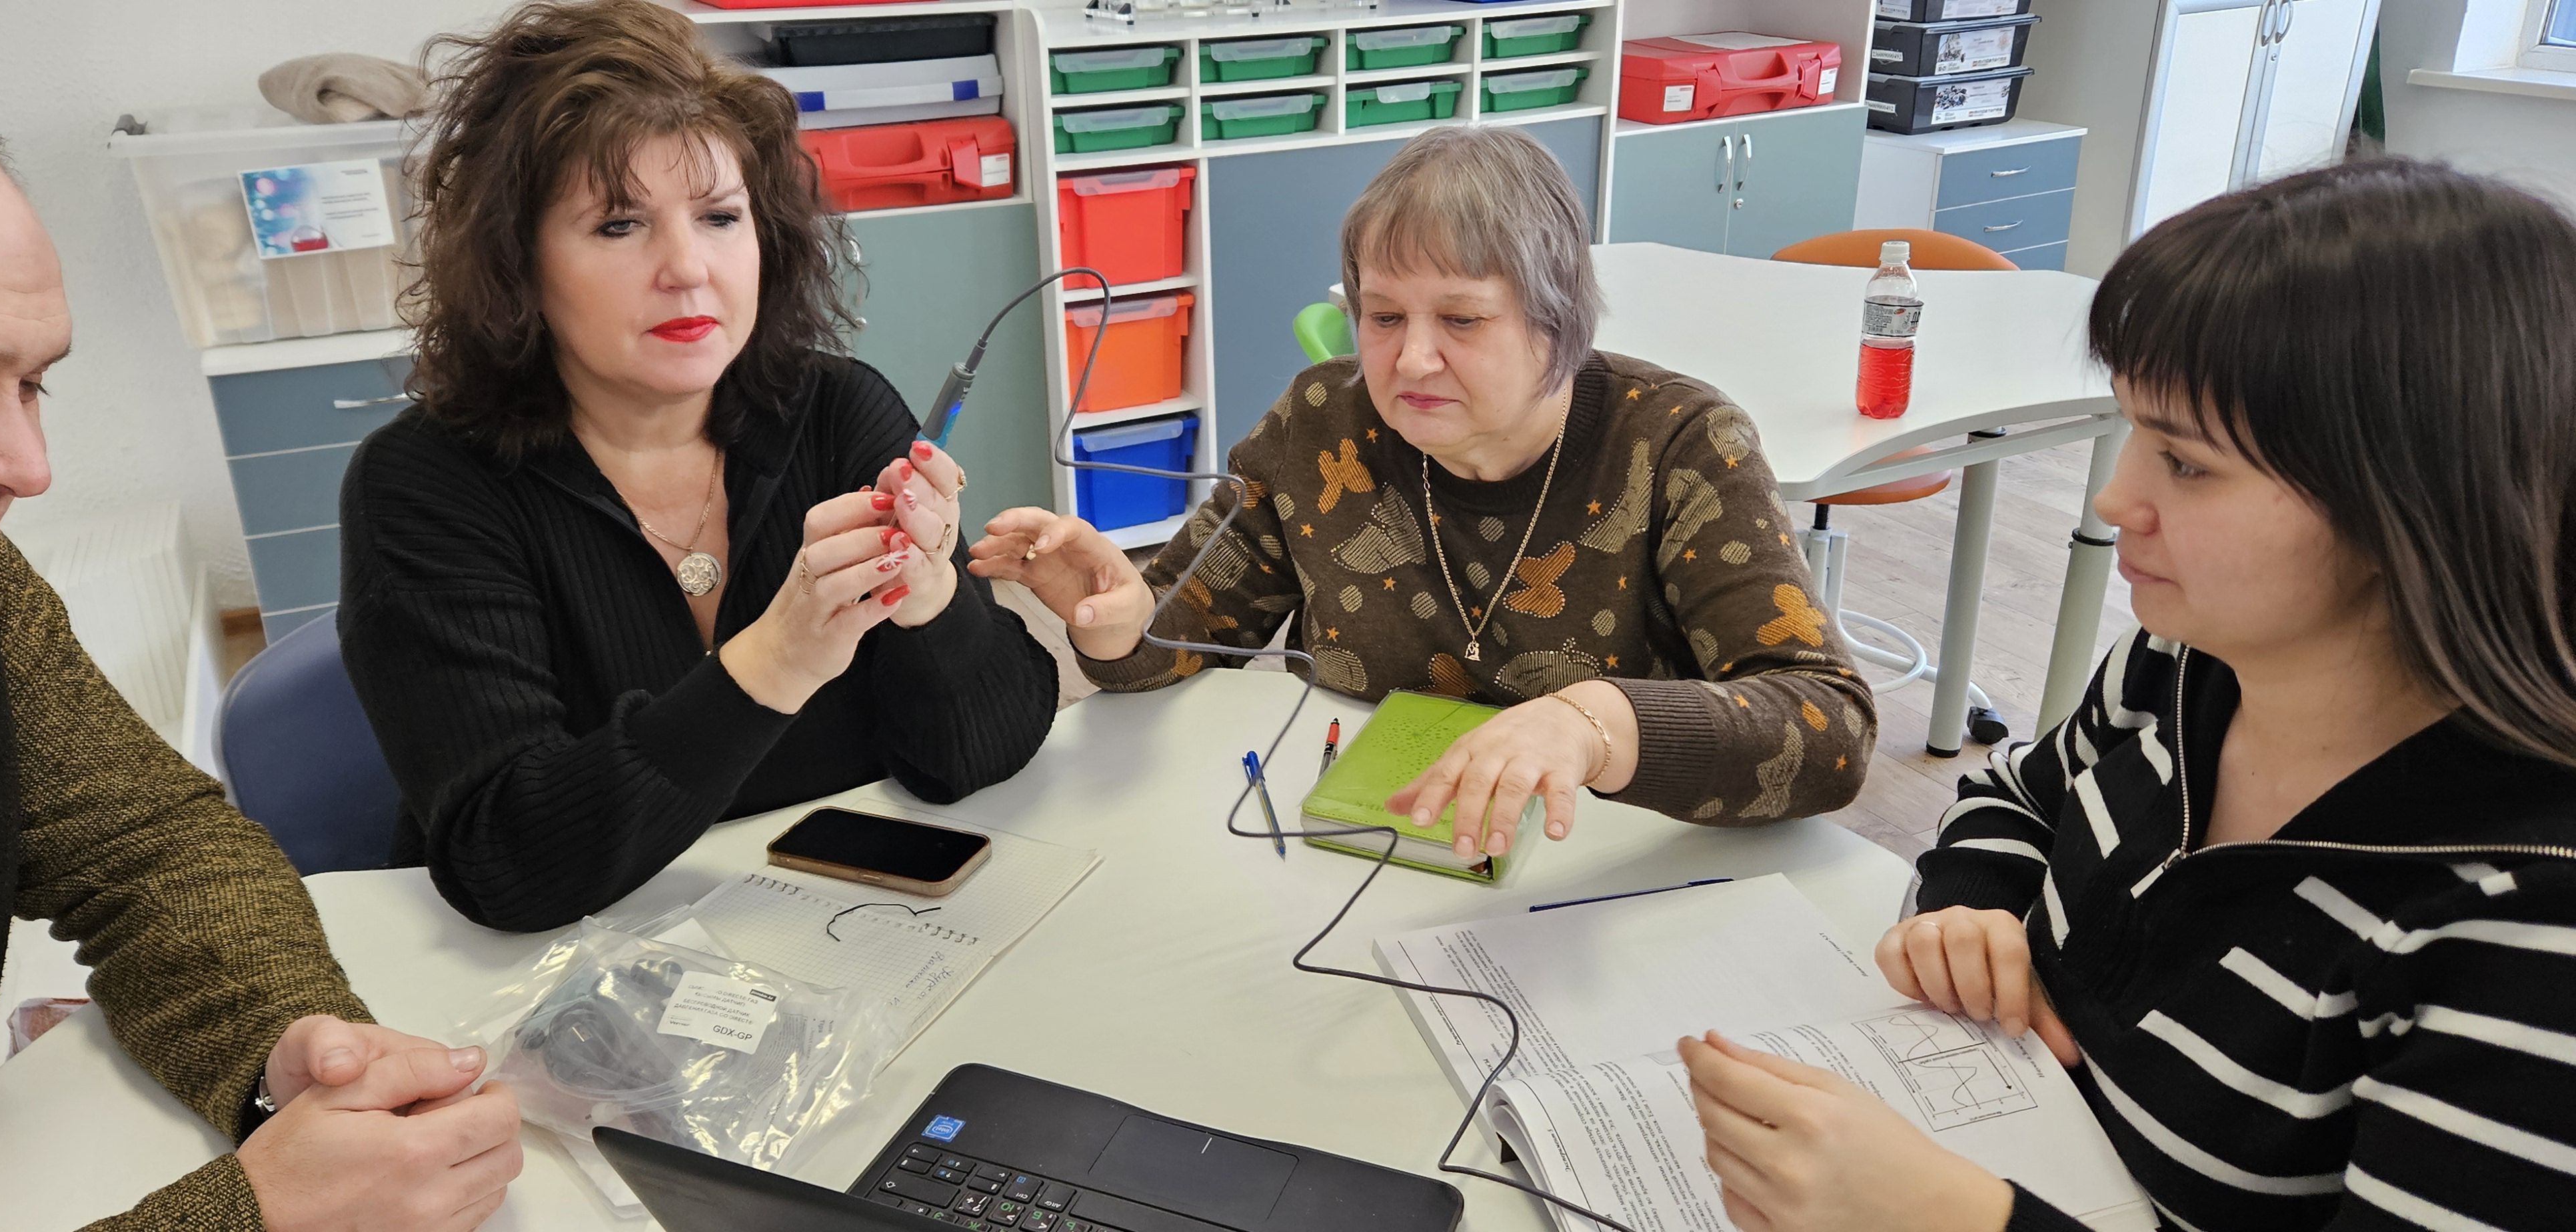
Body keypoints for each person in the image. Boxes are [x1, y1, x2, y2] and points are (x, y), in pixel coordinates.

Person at [1675, 157, 2576, 1231]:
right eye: (2132, 431)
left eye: (2186, 464)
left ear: (2412, 504)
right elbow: (2018, 793)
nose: (2114, 497)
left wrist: (1953, 1218)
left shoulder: (2523, 931)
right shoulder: (2190, 665)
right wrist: (1975, 904)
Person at [0, 97, 521, 1231]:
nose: (29, 468)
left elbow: (146, 846)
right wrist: (255, 1215)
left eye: (33, 384)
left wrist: (282, 1046)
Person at [339, 0, 1058, 933]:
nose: (687, 268)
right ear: (517, 263)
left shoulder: (838, 410)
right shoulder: (424, 485)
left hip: (833, 938)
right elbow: (507, 866)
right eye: (618, 226)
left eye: (720, 216)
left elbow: (980, 756)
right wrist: (775, 660)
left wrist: (935, 607)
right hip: (574, 974)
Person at [974, 126, 1874, 860]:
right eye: (1383, 316)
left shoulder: (1678, 443)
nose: (1410, 360)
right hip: (1361, 852)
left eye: (1462, 319)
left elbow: (1829, 730)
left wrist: (1592, 725)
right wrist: (1119, 622)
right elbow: (1188, 636)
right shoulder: (1320, 423)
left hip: (1606, 870)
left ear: (1558, 318)